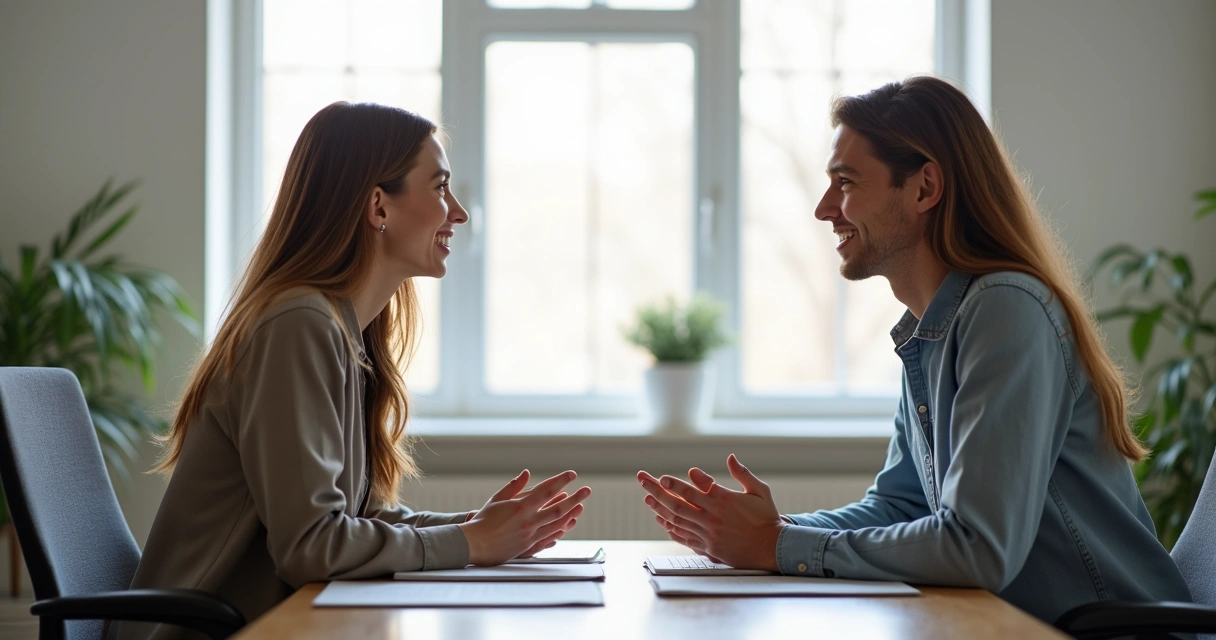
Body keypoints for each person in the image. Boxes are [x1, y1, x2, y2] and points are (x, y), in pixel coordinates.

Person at [636, 76, 1192, 623]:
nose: (824, 209)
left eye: (846, 182)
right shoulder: (935, 327)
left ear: (925, 187)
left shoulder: (1005, 309)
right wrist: (763, 532)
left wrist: (775, 546)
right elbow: (900, 506)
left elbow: (978, 548)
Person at [115, 102, 591, 640]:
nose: (457, 212)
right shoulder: (298, 325)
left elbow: (354, 522)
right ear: (377, 206)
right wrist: (472, 543)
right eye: (439, 188)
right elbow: (312, 548)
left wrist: (475, 528)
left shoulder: (340, 327)